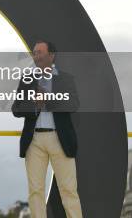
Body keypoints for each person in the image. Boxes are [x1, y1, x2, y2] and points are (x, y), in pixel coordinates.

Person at [11, 40, 82, 218]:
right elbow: (16, 108)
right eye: (35, 53)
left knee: (69, 190)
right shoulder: (27, 79)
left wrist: (47, 101)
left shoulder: (66, 79)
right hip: (34, 140)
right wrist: (34, 106)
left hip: (60, 139)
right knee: (35, 191)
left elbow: (73, 104)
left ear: (52, 55)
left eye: (40, 52)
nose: (37, 56)